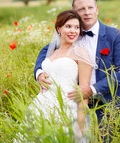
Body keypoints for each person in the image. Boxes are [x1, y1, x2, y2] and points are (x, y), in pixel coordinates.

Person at [34, 0, 120, 123]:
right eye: (81, 9)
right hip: (72, 104)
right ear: (75, 13)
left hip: (107, 104)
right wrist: (39, 73)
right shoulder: (71, 34)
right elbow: (45, 52)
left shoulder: (116, 35)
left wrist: (91, 90)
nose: (87, 12)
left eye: (90, 7)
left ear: (96, 9)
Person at [30, 10, 96, 142]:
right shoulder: (51, 52)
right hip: (42, 105)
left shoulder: (81, 53)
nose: (73, 31)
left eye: (77, 27)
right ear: (58, 29)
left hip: (66, 106)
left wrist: (81, 125)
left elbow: (84, 92)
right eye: (68, 26)